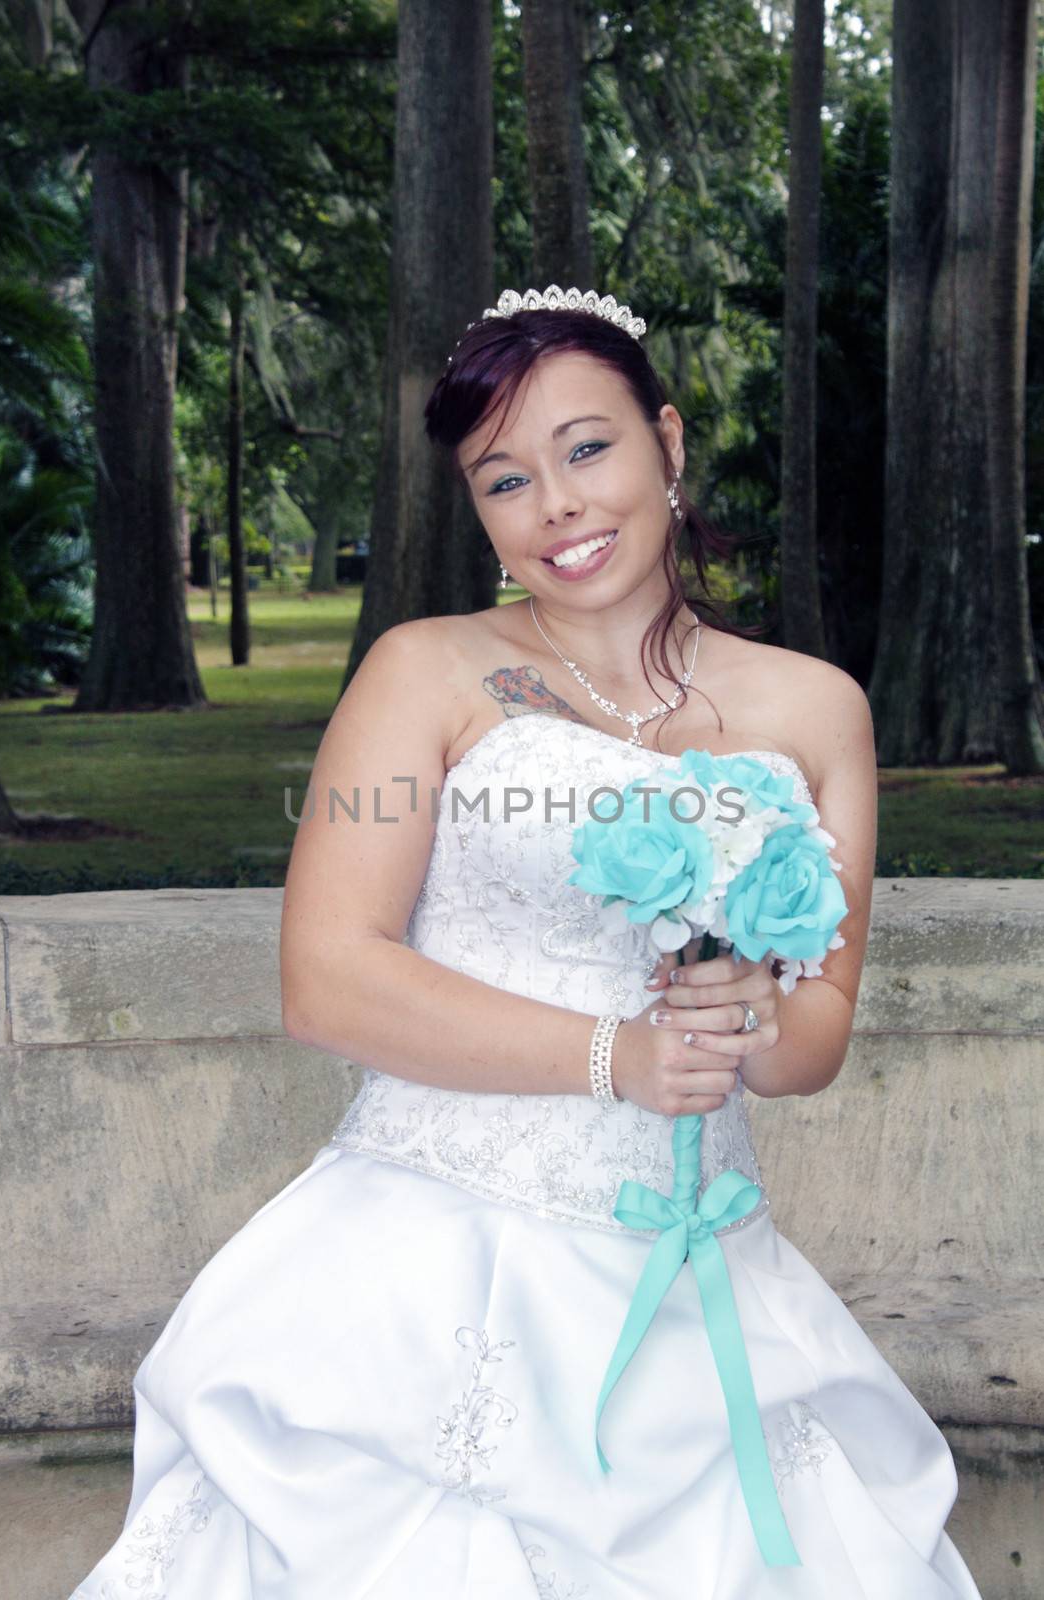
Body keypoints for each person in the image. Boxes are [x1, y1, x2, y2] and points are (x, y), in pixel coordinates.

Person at [68, 285, 984, 1598]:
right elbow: (326, 978)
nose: (555, 505)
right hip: (426, 1256)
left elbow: (814, 1038)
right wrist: (613, 1052)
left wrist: (750, 1009)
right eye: (504, 478)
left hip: (691, 1266)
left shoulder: (814, 708)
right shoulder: (424, 673)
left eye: (588, 448)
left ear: (667, 443)